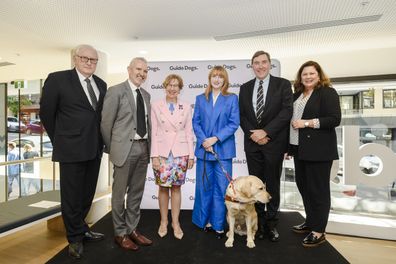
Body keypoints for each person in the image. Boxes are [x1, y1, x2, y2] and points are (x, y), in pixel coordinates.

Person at [40, 44, 107, 259]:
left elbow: (99, 117)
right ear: (75, 59)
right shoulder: (58, 79)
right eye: (85, 58)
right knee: (71, 196)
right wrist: (61, 140)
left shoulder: (101, 84)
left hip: (94, 148)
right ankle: (74, 238)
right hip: (70, 149)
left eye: (93, 60)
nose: (89, 62)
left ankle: (82, 228)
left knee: (87, 193)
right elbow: (47, 114)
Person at [239, 50, 293, 242]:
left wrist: (266, 132)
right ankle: (258, 224)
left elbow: (286, 112)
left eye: (263, 62)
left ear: (270, 64)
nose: (260, 66)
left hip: (274, 143)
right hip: (253, 145)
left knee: (272, 185)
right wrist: (254, 135)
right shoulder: (245, 88)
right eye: (256, 63)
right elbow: (242, 116)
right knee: (255, 186)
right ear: (252, 66)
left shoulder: (283, 85)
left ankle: (271, 225)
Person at [101, 57, 153, 251]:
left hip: (143, 148)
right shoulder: (116, 91)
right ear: (129, 69)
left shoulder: (146, 95)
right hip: (124, 150)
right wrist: (112, 147)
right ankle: (120, 233)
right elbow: (106, 124)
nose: (142, 73)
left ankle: (132, 229)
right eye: (138, 69)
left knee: (136, 193)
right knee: (119, 193)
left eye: (145, 71)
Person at [287, 61, 341, 247]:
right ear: (300, 77)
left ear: (319, 75)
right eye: (304, 74)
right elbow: (291, 122)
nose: (308, 77)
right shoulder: (298, 95)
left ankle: (318, 231)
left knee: (318, 192)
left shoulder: (327, 92)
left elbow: (334, 119)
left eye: (311, 73)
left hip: (319, 152)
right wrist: (289, 147)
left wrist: (307, 123)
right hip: (299, 150)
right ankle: (311, 222)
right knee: (304, 188)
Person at [192, 65, 240, 239]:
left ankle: (218, 224)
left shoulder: (231, 98)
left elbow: (234, 123)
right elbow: (195, 122)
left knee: (221, 189)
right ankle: (202, 221)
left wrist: (215, 139)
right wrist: (205, 140)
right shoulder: (200, 98)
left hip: (223, 150)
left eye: (220, 76)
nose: (217, 79)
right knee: (204, 187)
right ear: (210, 78)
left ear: (225, 79)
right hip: (204, 150)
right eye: (214, 76)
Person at [150, 74, 194, 240]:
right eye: (170, 85)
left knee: (176, 188)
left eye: (176, 86)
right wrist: (154, 155)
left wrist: (190, 155)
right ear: (165, 86)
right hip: (162, 153)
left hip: (180, 152)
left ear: (180, 89)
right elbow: (154, 131)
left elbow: (189, 132)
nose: (172, 88)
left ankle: (176, 223)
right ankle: (163, 221)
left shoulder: (187, 106)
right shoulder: (155, 105)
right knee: (162, 188)